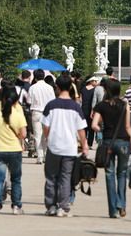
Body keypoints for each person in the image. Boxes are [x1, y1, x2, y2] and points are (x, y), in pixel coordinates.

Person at [41, 74, 89, 218]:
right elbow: (81, 130)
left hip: (54, 146)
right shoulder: (75, 107)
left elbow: (45, 126)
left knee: (51, 177)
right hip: (69, 148)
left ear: (57, 87)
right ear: (70, 87)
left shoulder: (51, 105)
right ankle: (63, 207)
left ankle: (51, 206)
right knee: (65, 178)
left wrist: (49, 137)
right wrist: (84, 145)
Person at [92, 80, 131, 219]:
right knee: (122, 173)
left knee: (109, 174)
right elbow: (128, 126)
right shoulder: (125, 105)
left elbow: (94, 125)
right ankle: (121, 204)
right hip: (123, 141)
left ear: (107, 90)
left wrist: (102, 130)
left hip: (108, 143)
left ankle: (113, 210)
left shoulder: (101, 106)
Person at [0, 86, 27, 216]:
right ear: (16, 101)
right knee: (16, 179)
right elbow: (23, 134)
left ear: (3, 99)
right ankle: (16, 206)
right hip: (15, 150)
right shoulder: (19, 115)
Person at [28, 68, 55, 164]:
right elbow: (53, 101)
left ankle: (40, 156)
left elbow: (29, 101)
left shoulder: (32, 88)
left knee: (37, 135)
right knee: (47, 135)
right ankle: (46, 154)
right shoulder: (50, 88)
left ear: (35, 77)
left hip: (36, 111)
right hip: (47, 113)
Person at [80, 76, 97, 148]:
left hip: (83, 109)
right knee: (91, 128)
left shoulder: (83, 89)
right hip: (91, 110)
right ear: (91, 81)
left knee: (84, 127)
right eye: (95, 81)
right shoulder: (94, 90)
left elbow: (80, 100)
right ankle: (89, 143)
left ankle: (84, 142)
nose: (96, 82)